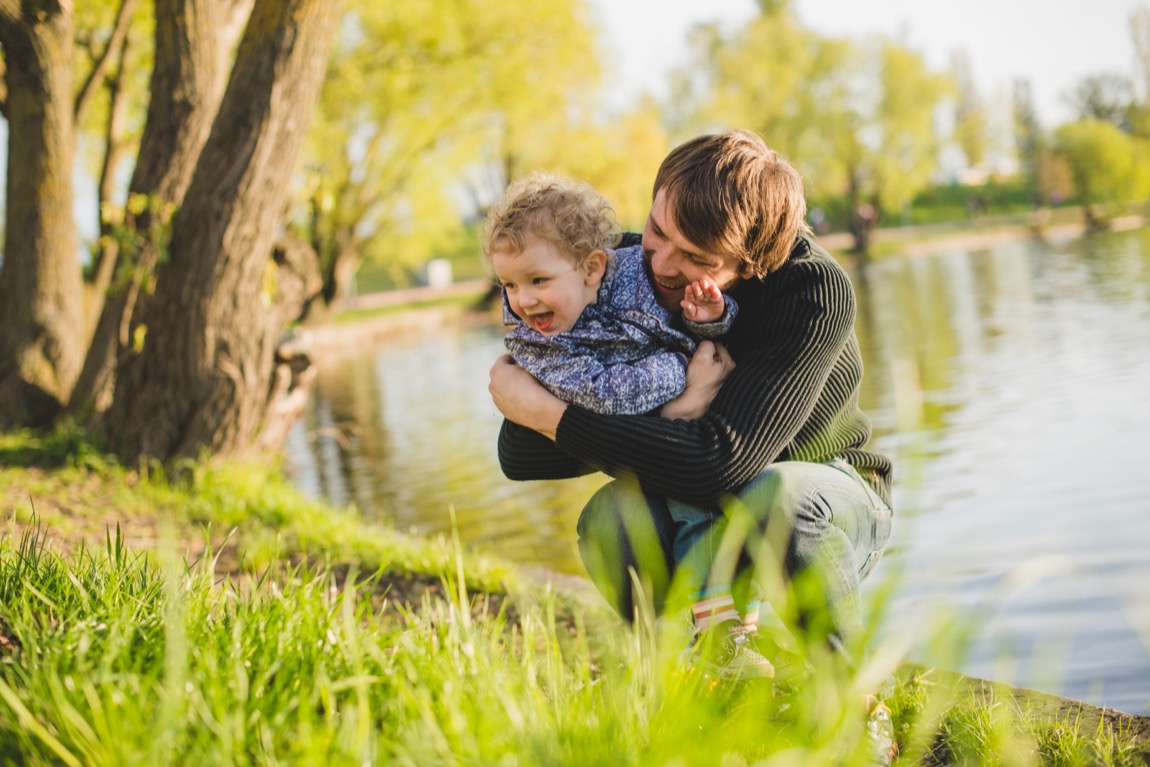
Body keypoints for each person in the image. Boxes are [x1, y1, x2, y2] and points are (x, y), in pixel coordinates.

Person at [489, 130, 896, 760]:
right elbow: (521, 452)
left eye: (697, 257)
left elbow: (720, 461)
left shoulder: (811, 293)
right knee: (610, 516)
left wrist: (548, 411)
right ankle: (703, 678)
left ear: (755, 261)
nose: (662, 264)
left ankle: (851, 700)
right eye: (656, 229)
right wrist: (680, 410)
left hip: (824, 501)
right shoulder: (621, 266)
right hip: (704, 514)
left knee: (774, 494)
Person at [483, 171, 738, 417]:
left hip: (720, 374)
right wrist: (683, 369)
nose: (524, 301)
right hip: (664, 408)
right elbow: (602, 394)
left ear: (592, 269)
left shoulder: (637, 267)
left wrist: (711, 318)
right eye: (509, 285)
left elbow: (686, 319)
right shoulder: (539, 346)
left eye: (538, 280)